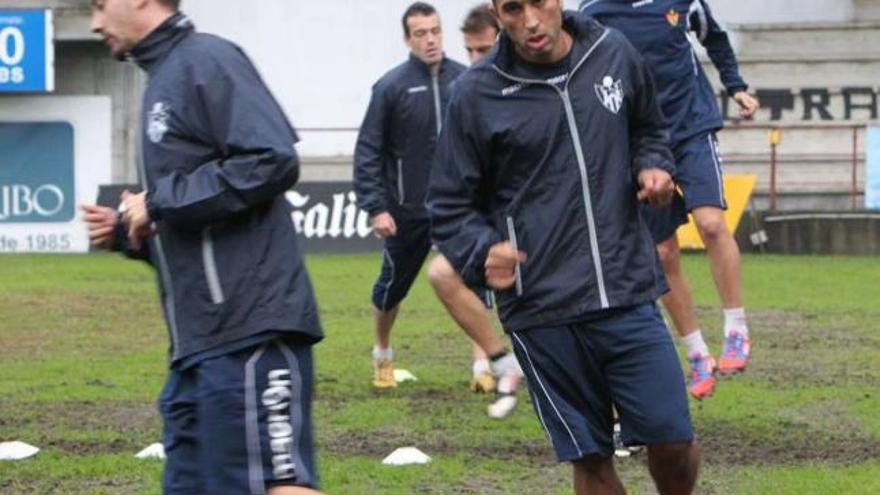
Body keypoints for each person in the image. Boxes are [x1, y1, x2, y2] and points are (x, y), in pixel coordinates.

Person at [428, 1, 700, 493]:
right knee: (591, 458)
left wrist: (654, 165)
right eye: (513, 8)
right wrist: (482, 249)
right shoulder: (476, 93)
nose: (530, 20)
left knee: (673, 440)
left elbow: (649, 129)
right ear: (496, 12)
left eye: (540, 3)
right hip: (542, 308)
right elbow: (447, 204)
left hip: (627, 290)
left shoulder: (611, 51)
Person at [83, 1, 323, 494]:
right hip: (198, 351)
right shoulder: (159, 80)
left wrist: (160, 202)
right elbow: (198, 222)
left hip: (250, 332)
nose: (94, 22)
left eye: (100, 5)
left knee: (277, 485)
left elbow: (271, 159)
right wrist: (128, 233)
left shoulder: (207, 60)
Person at [580, 0, 759, 399]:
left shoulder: (682, 2)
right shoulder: (593, 12)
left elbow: (715, 39)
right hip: (642, 140)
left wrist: (737, 87)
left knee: (712, 223)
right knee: (661, 254)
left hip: (692, 127)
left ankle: (736, 329)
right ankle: (696, 352)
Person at [355, 2, 526, 397]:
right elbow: (369, 151)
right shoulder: (390, 87)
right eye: (420, 33)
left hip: (460, 210)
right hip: (406, 211)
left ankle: (483, 365)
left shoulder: (466, 80)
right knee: (391, 287)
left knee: (475, 282)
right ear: (407, 39)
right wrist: (376, 206)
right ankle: (383, 354)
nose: (430, 40)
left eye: (435, 31)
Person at [425, 3, 524, 418]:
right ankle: (501, 361)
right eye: (470, 51)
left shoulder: (531, 85)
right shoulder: (469, 93)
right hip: (496, 222)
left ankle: (615, 411)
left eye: (484, 50)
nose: (476, 61)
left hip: (544, 222)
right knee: (442, 273)